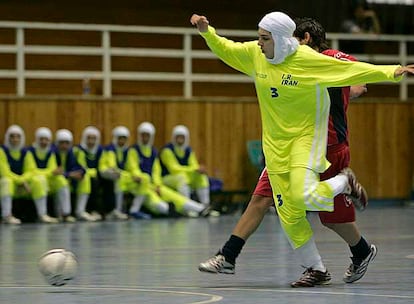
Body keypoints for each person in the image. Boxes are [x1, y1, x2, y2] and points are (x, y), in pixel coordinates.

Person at [190, 12, 413, 287]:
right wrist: (206, 31)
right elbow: (228, 48)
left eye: (264, 38)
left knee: (316, 206)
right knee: (287, 210)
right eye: (259, 37)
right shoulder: (255, 54)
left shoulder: (312, 59)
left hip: (312, 142)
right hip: (275, 146)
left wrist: (394, 71)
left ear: (291, 39)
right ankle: (314, 267)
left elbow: (354, 72)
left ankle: (345, 186)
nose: (259, 43)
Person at [131, 122, 211, 217]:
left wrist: (157, 185)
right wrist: (194, 169)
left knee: (177, 197)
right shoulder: (135, 150)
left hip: (155, 185)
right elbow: (133, 168)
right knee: (163, 207)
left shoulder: (153, 151)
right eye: (143, 136)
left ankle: (203, 208)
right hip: (142, 184)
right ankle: (187, 211)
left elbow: (156, 171)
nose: (145, 139)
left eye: (147, 136)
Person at [0, 125, 54, 224]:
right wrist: (20, 181)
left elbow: (30, 170)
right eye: (12, 136)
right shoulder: (2, 151)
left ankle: (42, 214)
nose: (15, 139)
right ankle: (6, 216)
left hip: (25, 186)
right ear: (7, 137)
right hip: (11, 183)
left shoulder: (26, 152)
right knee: (5, 181)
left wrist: (23, 180)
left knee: (39, 180)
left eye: (18, 136)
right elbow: (4, 172)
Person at [101, 126, 148, 220]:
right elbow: (112, 166)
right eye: (120, 138)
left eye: (124, 139)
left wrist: (136, 175)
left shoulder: (129, 151)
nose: (122, 141)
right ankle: (118, 211)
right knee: (118, 177)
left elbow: (133, 166)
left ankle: (134, 210)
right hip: (107, 172)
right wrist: (127, 175)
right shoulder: (110, 149)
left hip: (123, 175)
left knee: (145, 179)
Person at [159, 125, 210, 206]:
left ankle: (205, 205)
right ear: (173, 137)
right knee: (182, 178)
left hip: (184, 176)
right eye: (178, 137)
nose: (180, 139)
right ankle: (188, 206)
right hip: (167, 178)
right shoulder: (167, 150)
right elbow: (174, 169)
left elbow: (194, 165)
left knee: (201, 177)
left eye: (182, 137)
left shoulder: (188, 150)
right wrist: (194, 169)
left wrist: (198, 170)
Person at [73, 126, 105, 221]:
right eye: (89, 138)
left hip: (96, 176)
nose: (91, 141)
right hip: (82, 176)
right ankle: (82, 210)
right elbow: (81, 165)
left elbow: (102, 165)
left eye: (94, 139)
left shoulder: (100, 150)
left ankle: (96, 210)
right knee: (90, 180)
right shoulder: (79, 150)